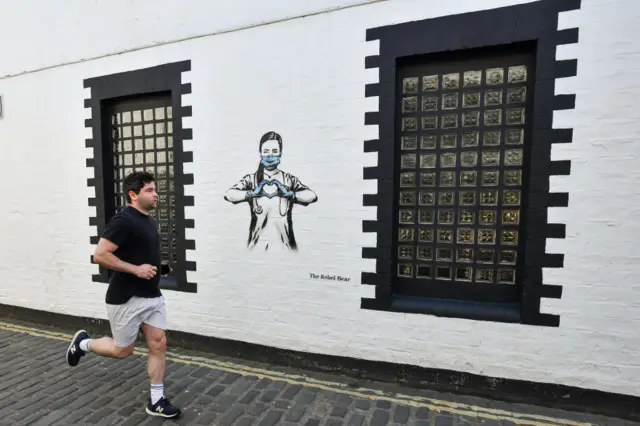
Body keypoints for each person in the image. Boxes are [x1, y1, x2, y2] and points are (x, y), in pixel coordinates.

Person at [65, 171, 181, 419]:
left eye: (154, 189)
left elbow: (137, 254)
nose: (155, 194)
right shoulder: (123, 220)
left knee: (158, 343)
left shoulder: (148, 221)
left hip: (152, 296)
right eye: (149, 190)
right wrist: (135, 269)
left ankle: (157, 399)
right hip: (126, 297)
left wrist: (158, 268)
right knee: (122, 351)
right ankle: (83, 344)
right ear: (133, 194)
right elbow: (101, 255)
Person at [224, 131, 318, 251]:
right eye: (266, 152)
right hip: (256, 248)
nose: (270, 156)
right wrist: (250, 193)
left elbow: (312, 196)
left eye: (274, 151)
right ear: (260, 153)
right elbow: (229, 194)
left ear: (280, 153)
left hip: (285, 248)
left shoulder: (288, 179)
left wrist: (291, 194)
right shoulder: (251, 179)